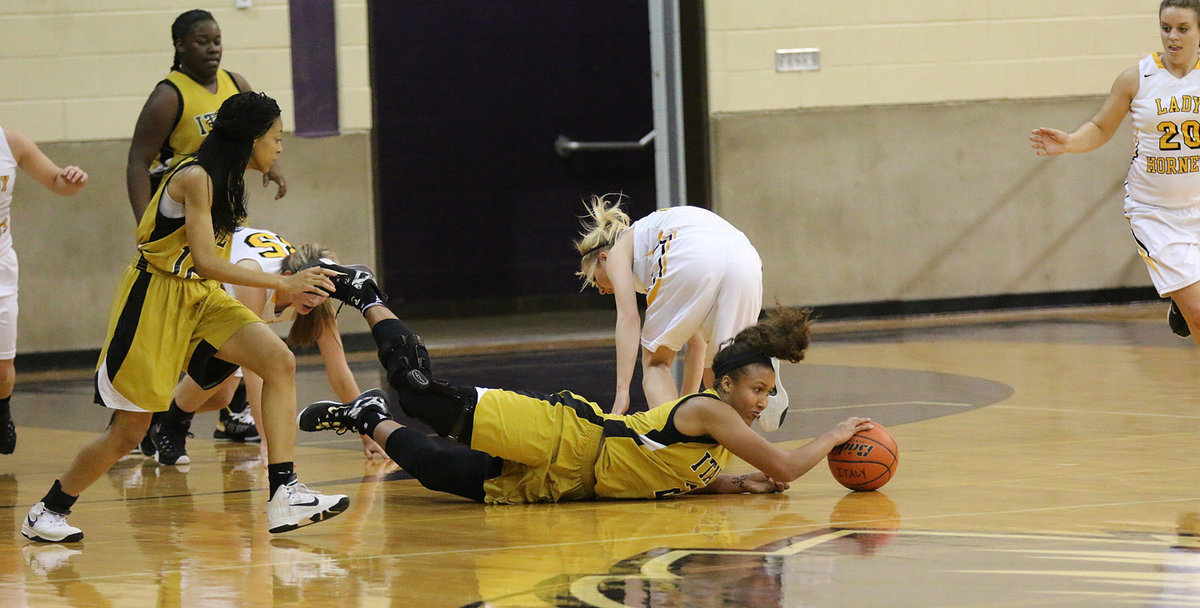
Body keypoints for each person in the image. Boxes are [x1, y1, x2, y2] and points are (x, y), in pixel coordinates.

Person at [21, 92, 347, 543]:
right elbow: (208, 260)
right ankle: (48, 510)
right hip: (154, 296)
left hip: (199, 294)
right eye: (275, 137)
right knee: (129, 432)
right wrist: (285, 285)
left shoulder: (229, 179)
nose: (280, 146)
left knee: (279, 362)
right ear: (252, 139)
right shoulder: (196, 177)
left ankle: (284, 491)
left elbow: (209, 271)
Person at [297, 263, 872, 503]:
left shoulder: (719, 442)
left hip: (572, 485)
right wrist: (838, 433)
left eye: (769, 395)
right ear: (723, 386)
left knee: (439, 471)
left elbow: (664, 472)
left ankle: (367, 415)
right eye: (756, 390)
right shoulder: (711, 412)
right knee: (420, 391)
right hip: (566, 438)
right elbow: (789, 469)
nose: (762, 402)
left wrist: (729, 486)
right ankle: (370, 297)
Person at [141, 226, 386, 465]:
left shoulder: (318, 299)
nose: (315, 298)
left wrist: (366, 434)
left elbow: (339, 371)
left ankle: (149, 419)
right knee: (223, 377)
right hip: (186, 281)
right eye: (311, 290)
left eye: (322, 291)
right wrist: (269, 439)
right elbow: (254, 366)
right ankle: (168, 425)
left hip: (226, 287)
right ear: (290, 279)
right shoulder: (256, 284)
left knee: (220, 397)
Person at [1030, 0, 1200, 342]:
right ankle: (1184, 304)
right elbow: (1101, 127)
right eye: (1166, 28)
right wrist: (1070, 142)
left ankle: (1179, 303)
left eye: (1183, 29)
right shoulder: (1136, 78)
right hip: (1156, 214)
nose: (1173, 37)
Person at [574, 195, 789, 430]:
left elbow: (629, 318)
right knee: (722, 370)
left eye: (595, 279)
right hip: (745, 257)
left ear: (603, 258)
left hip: (691, 251)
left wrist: (622, 392)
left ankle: (675, 439)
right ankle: (759, 374)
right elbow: (696, 345)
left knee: (656, 363)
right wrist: (688, 405)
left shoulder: (617, 252)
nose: (601, 290)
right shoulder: (652, 240)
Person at [126, 9, 285, 223]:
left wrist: (272, 165)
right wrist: (144, 223)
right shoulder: (168, 97)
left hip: (226, 201)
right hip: (178, 204)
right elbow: (138, 162)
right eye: (203, 42)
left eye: (217, 42)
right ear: (181, 45)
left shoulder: (235, 83)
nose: (213, 49)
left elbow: (260, 131)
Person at [0, 127, 88, 455]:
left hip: (1, 268)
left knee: (3, 368)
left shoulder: (11, 142)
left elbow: (57, 182)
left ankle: (2, 410)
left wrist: (71, 179)